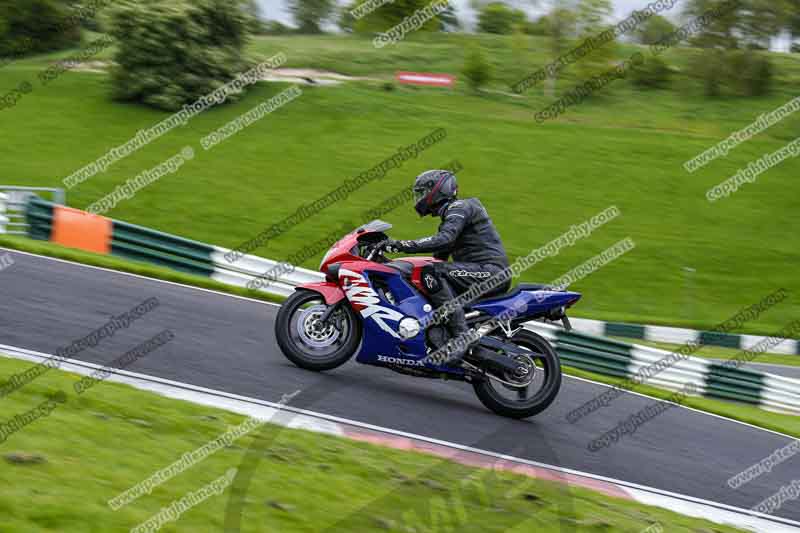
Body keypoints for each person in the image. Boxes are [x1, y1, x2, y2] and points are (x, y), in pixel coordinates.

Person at [385, 170, 511, 364]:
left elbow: (444, 240)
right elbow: (438, 258)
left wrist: (402, 245)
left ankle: (461, 338)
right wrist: (390, 263)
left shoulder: (460, 207)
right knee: (429, 273)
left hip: (491, 271)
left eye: (423, 192)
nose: (421, 198)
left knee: (432, 273)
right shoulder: (452, 217)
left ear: (438, 190)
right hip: (481, 272)